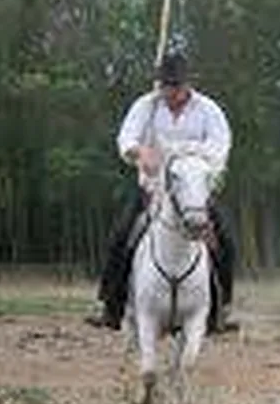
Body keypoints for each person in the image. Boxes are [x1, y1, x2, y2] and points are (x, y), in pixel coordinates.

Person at [84, 51, 238, 335]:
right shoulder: (146, 106)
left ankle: (222, 309)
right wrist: (140, 151)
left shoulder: (209, 110)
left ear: (187, 84)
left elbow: (220, 148)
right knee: (120, 237)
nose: (170, 92)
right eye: (166, 85)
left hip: (194, 194)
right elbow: (126, 139)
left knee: (226, 242)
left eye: (176, 86)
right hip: (152, 191)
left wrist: (182, 154)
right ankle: (111, 306)